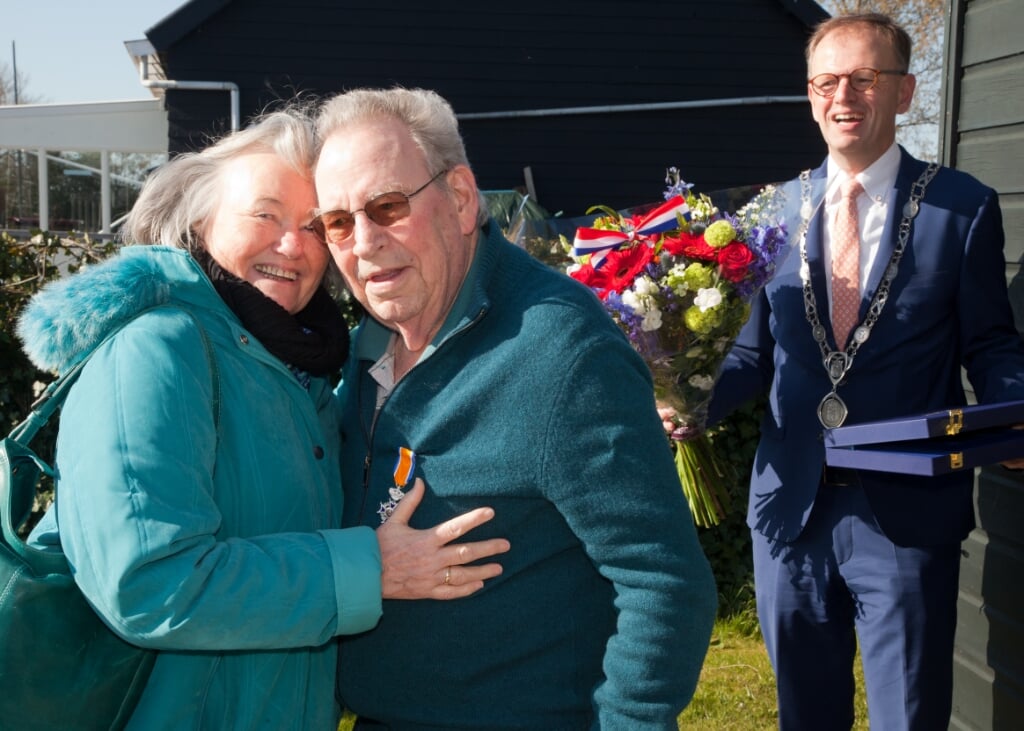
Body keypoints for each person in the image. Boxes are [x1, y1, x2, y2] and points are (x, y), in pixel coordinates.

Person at [16, 108, 509, 730]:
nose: (292, 245)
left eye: (314, 226)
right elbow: (150, 583)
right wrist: (374, 569)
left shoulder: (294, 367)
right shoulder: (156, 348)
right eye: (265, 214)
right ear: (201, 219)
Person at [310, 86, 717, 730]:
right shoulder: (363, 349)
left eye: (386, 207)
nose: (362, 243)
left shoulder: (560, 352)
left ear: (462, 198)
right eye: (336, 222)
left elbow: (663, 582)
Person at [704, 13, 1024, 730]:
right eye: (825, 81)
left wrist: (1013, 410)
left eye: (863, 78)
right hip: (789, 509)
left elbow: (992, 343)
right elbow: (752, 354)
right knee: (804, 715)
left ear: (904, 92)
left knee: (908, 716)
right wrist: (683, 398)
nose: (842, 95)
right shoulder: (771, 214)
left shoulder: (960, 208)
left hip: (907, 517)